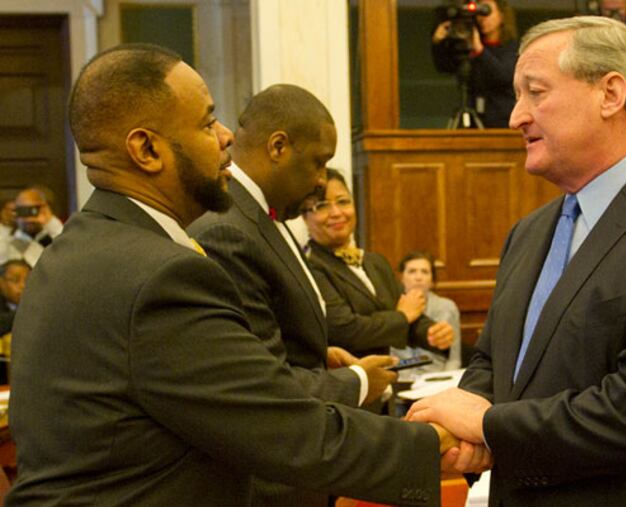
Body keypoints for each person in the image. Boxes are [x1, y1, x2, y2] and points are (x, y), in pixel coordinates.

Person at [6, 43, 467, 506]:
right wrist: (435, 442)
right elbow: (284, 428)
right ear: (147, 149)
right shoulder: (162, 276)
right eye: (208, 122)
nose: (227, 136)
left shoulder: (72, 251)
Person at [406, 16, 626, 506]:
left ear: (610, 94)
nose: (516, 116)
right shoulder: (528, 233)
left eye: (536, 92)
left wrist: (488, 426)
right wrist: (475, 426)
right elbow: (495, 360)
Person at [189, 84, 398, 505]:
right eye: (319, 163)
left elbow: (276, 332)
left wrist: (323, 353)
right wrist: (358, 381)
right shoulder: (229, 228)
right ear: (279, 146)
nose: (322, 182)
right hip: (269, 483)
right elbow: (257, 380)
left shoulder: (263, 216)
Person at [302, 169, 454, 365]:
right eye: (322, 205)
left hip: (384, 382)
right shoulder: (309, 266)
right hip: (344, 385)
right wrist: (401, 316)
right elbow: (346, 330)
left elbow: (410, 317)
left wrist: (432, 333)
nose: (337, 213)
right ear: (305, 217)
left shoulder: (375, 262)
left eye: (343, 202)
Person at [431, 0, 518, 127]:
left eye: (487, 12)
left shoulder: (512, 48)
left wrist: (480, 50)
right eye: (479, 14)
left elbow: (503, 76)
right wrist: (437, 43)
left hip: (502, 121)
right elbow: (446, 67)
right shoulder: (469, 46)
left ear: (502, 15)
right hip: (473, 118)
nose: (483, 19)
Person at [398, 251, 462, 371]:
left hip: (435, 377)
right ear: (401, 277)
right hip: (400, 377)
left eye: (425, 272)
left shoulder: (447, 307)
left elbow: (454, 359)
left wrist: (447, 383)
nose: (418, 277)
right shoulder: (392, 306)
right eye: (412, 271)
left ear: (432, 280)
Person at [5, 186, 64, 266]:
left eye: (33, 209)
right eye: (23, 210)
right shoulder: (11, 240)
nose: (28, 215)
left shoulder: (53, 229)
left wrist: (47, 221)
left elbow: (61, 252)